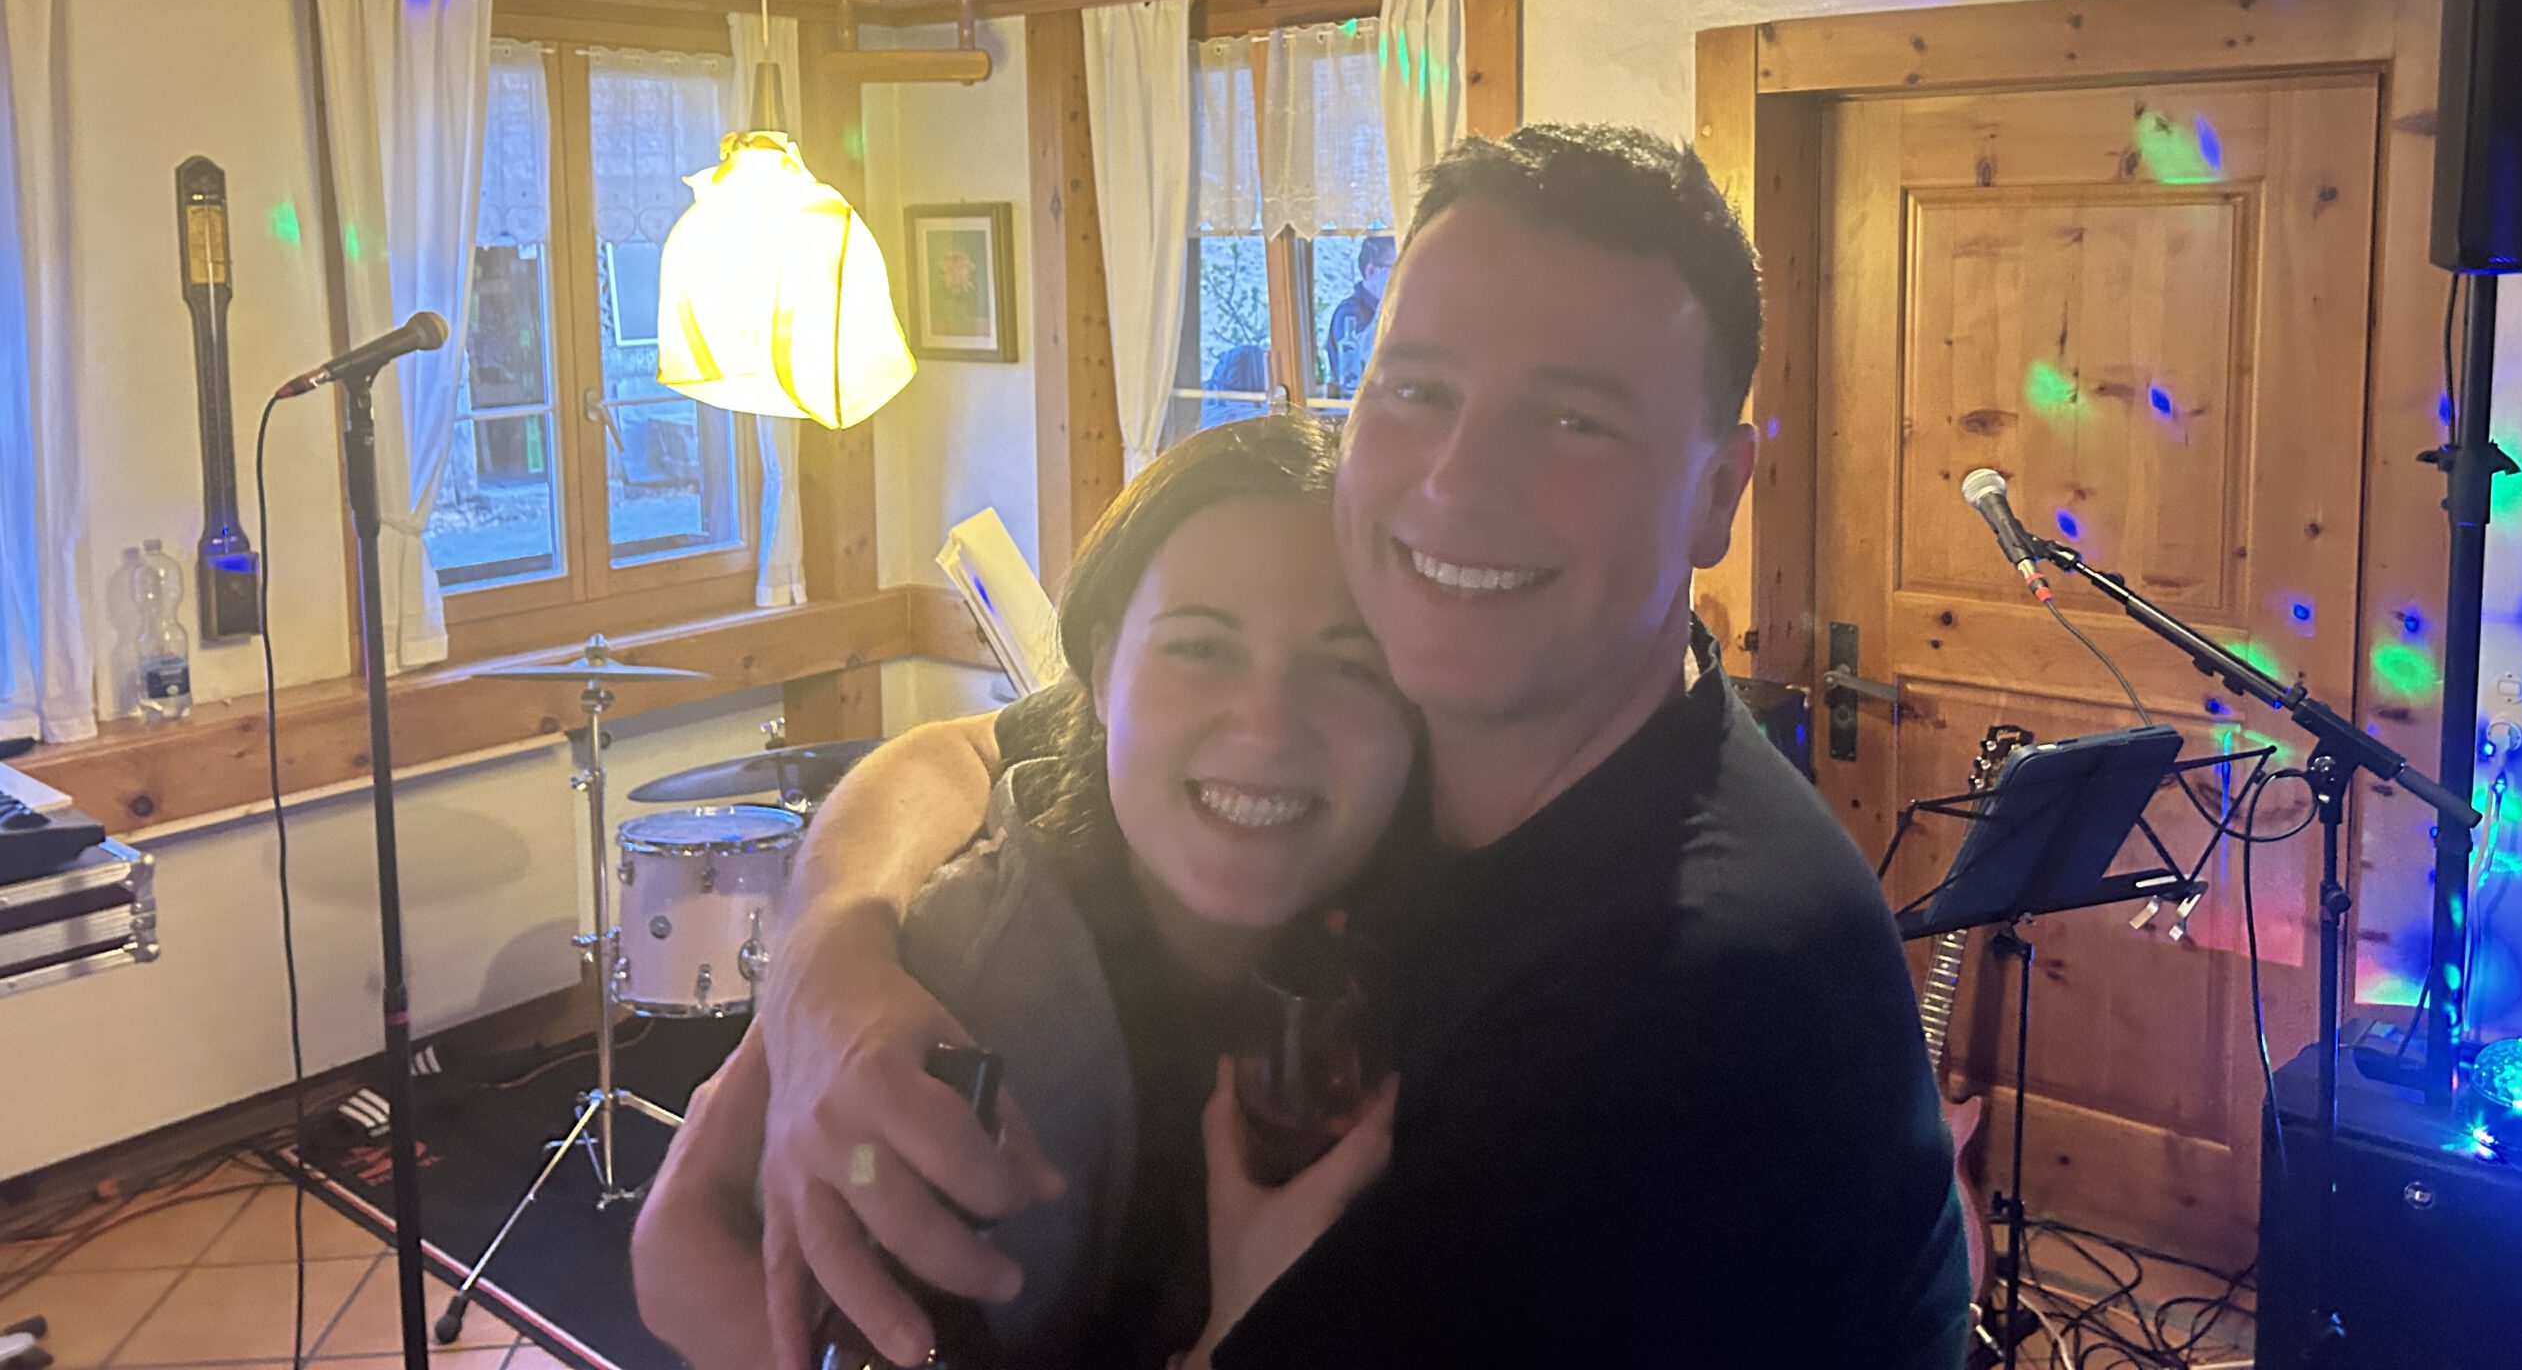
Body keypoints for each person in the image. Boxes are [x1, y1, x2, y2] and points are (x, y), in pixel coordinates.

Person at [655, 123, 1969, 1368]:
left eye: (1573, 420)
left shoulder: (1683, 1019)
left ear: (1718, 492)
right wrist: (831, 962)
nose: (1456, 480)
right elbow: (984, 748)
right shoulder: (1431, 717)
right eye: (1416, 389)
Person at [632, 413, 1414, 1370]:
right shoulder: (962, 973)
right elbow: (691, 1248)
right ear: (1099, 675)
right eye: (1201, 649)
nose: (1268, 725)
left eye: (1349, 664)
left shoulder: (1443, 946)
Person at [1324, 234, 1395, 401]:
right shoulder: (1348, 312)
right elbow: (1368, 358)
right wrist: (1388, 299)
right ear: (1371, 271)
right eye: (1395, 268)